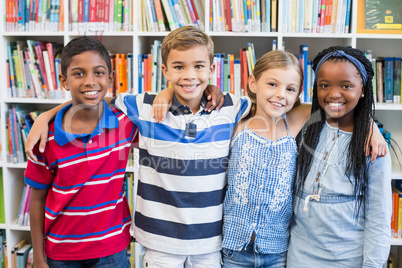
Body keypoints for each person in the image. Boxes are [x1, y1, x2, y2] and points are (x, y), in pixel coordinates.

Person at [24, 36, 135, 267]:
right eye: (78, 74)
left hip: (111, 251)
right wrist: (39, 257)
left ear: (111, 78)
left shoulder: (125, 124)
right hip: (61, 253)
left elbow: (171, 105)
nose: (90, 81)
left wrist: (210, 88)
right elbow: (37, 199)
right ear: (64, 81)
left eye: (98, 72)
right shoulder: (45, 138)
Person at [286, 46, 392, 267]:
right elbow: (268, 105)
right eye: (325, 85)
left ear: (362, 89)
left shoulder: (373, 147)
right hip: (299, 256)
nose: (334, 94)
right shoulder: (304, 127)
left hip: (347, 259)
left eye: (346, 86)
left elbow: (379, 220)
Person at [221, 50, 307, 267]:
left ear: (297, 95)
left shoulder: (293, 123)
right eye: (272, 84)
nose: (280, 94)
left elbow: (336, 104)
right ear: (252, 83)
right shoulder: (238, 121)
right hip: (234, 249)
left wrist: (370, 127)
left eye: (290, 89)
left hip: (276, 251)